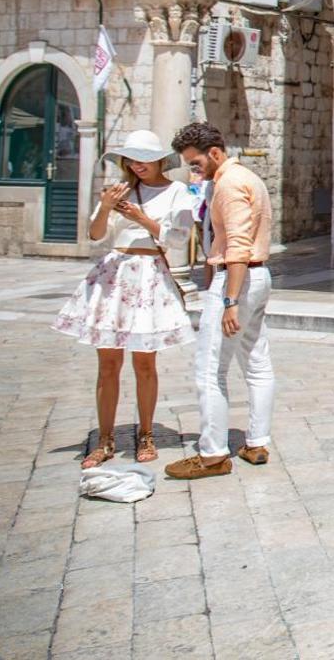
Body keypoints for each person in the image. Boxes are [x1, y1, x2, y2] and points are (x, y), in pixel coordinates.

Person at [54, 130, 199, 468]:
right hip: (115, 275)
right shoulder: (119, 190)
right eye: (132, 159)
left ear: (160, 159)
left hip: (149, 274)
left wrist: (140, 218)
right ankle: (105, 439)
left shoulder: (177, 191)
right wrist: (105, 207)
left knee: (145, 362)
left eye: (145, 159)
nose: (138, 165)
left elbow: (177, 240)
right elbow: (95, 235)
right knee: (107, 363)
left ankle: (146, 433)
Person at [165, 123, 276, 480]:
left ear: (215, 153)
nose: (194, 170)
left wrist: (229, 300)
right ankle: (256, 442)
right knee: (256, 360)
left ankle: (212, 454)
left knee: (211, 368)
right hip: (258, 276)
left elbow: (238, 244)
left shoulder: (228, 185)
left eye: (196, 163)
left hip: (237, 277)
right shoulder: (248, 178)